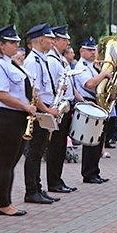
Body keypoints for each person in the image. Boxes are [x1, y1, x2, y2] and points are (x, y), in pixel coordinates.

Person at [0, 24, 34, 217]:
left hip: (17, 117)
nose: (17, 45)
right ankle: (3, 204)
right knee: (5, 163)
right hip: (6, 118)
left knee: (12, 162)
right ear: (1, 44)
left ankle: (7, 202)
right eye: (12, 42)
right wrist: (24, 106)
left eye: (17, 42)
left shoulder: (10, 63)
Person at [22, 24, 62, 204]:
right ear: (40, 40)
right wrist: (46, 110)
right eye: (49, 38)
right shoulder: (33, 61)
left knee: (39, 150)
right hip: (39, 108)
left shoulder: (41, 59)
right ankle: (31, 190)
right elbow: (32, 91)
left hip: (45, 106)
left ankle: (37, 187)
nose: (52, 41)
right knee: (34, 151)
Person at [73, 37, 112, 184]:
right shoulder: (81, 66)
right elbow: (89, 84)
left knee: (98, 140)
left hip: (97, 103)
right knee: (91, 141)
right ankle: (89, 174)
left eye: (93, 49)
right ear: (81, 51)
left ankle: (95, 171)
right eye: (89, 50)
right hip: (88, 102)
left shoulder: (93, 66)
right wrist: (103, 74)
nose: (92, 52)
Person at [46, 25, 77, 194]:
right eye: (65, 40)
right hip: (58, 107)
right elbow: (50, 85)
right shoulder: (51, 60)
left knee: (61, 146)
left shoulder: (60, 59)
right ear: (56, 41)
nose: (67, 43)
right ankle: (53, 181)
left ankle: (57, 179)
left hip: (65, 106)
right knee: (56, 147)